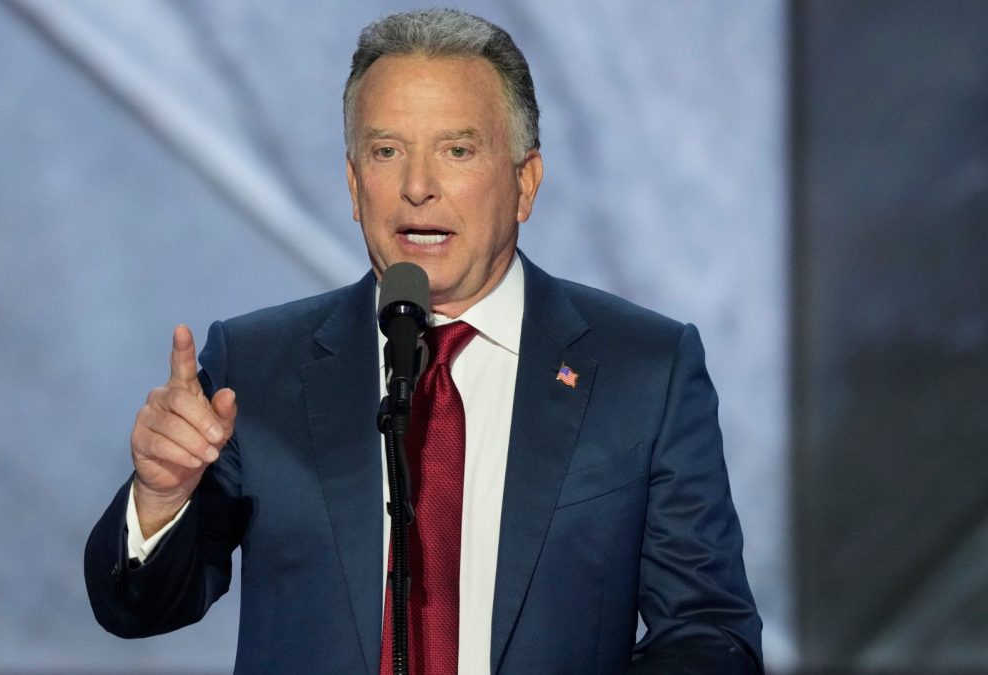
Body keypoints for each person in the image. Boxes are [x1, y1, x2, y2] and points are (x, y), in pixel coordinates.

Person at [85, 9, 762, 674]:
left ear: (525, 182)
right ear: (354, 185)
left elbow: (709, 632)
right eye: (386, 152)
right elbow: (139, 607)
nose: (417, 188)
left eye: (457, 150)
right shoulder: (255, 368)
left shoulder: (645, 370)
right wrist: (161, 498)